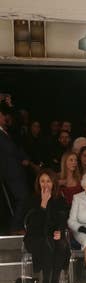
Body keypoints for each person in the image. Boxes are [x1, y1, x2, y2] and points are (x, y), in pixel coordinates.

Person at [23, 169, 70, 283]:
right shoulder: (32, 199)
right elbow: (33, 226)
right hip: (35, 237)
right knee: (47, 244)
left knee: (61, 244)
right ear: (38, 183)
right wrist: (43, 204)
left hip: (52, 234)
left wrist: (60, 231)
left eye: (48, 181)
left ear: (54, 183)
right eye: (42, 181)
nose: (45, 184)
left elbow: (63, 218)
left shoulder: (59, 199)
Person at [0, 100, 31, 234]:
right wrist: (21, 157)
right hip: (9, 172)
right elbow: (10, 149)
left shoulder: (6, 132)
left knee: (23, 198)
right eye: (2, 115)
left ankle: (17, 226)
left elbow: (16, 142)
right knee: (22, 198)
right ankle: (15, 227)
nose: (5, 118)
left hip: (16, 172)